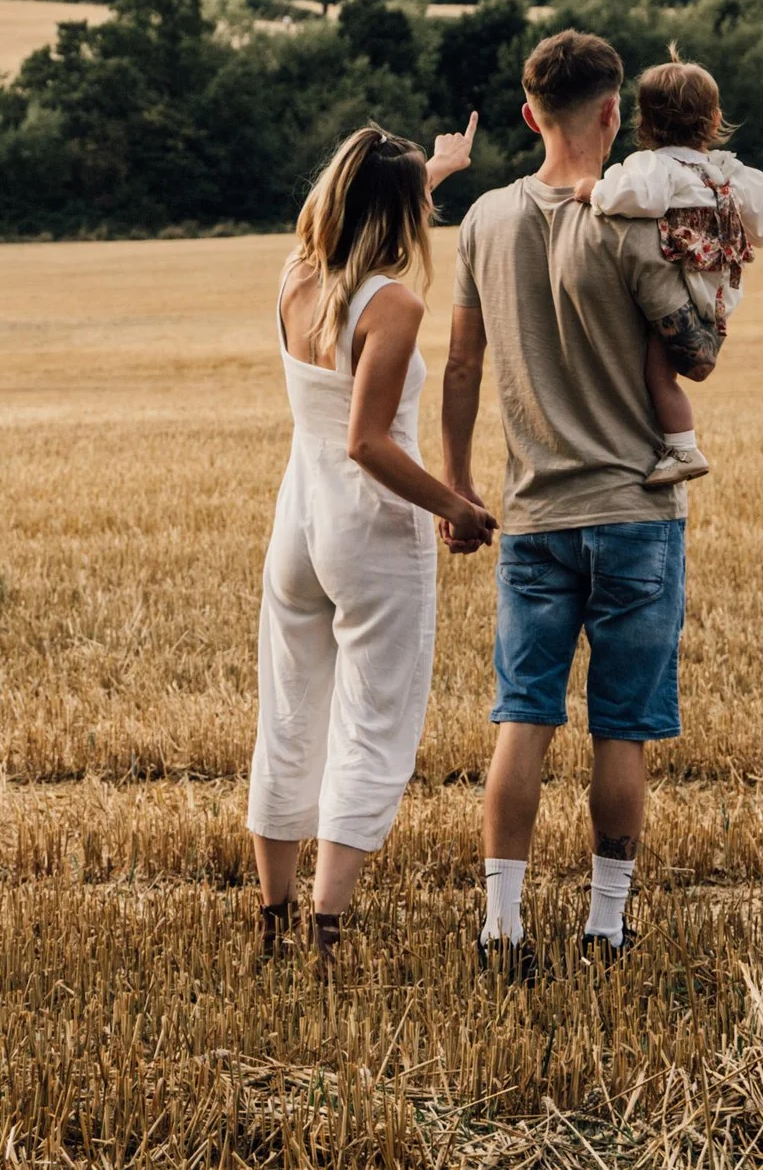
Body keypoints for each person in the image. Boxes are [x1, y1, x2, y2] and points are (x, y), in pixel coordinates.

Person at [439, 31, 722, 976]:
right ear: (614, 115)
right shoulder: (636, 221)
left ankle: (501, 927)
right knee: (622, 728)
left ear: (529, 116)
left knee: (524, 716)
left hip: (532, 515)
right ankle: (603, 927)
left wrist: (456, 482)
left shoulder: (482, 220)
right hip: (638, 510)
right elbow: (693, 353)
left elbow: (464, 363)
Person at [250, 117, 498, 973]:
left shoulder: (295, 277)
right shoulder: (392, 305)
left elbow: (370, 205)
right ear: (402, 215)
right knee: (371, 722)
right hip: (369, 530)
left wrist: (437, 168)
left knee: (288, 716)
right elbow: (370, 441)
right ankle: (328, 933)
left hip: (297, 525)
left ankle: (276, 916)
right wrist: (456, 505)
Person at [572, 54, 763, 488]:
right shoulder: (729, 171)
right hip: (717, 294)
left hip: (679, 289)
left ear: (645, 121)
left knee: (657, 373)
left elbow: (637, 199)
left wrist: (592, 190)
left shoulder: (655, 167)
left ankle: (682, 448)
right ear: (715, 117)